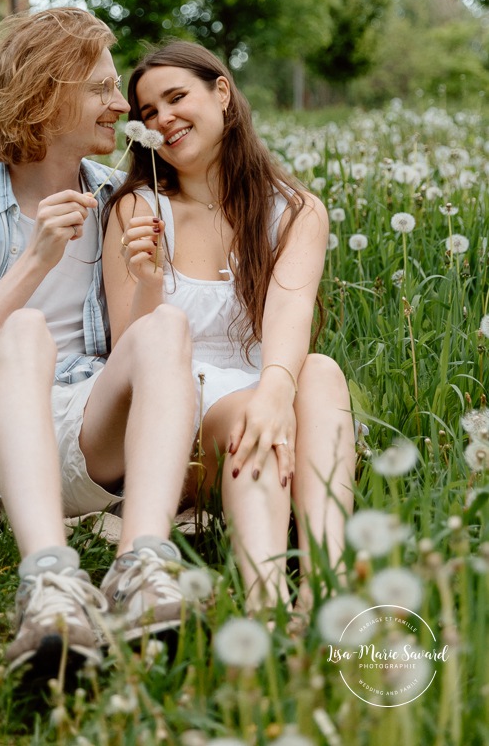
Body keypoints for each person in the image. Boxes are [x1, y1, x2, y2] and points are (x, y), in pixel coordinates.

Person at [0, 9, 198, 680]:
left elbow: (132, 359)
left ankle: (140, 564)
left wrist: (146, 284)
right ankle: (48, 581)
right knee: (24, 331)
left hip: (75, 431)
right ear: (47, 95)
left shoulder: (122, 199)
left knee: (167, 327)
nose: (121, 103)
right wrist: (33, 263)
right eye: (101, 88)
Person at [102, 41, 356, 615]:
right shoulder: (138, 209)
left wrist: (274, 393)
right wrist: (146, 279)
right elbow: (132, 354)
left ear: (222, 94)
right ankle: (265, 609)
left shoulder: (294, 211)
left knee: (317, 369)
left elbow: (290, 320)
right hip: (170, 425)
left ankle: (326, 588)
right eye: (148, 113)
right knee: (255, 408)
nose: (163, 118)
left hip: (263, 398)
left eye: (175, 97)